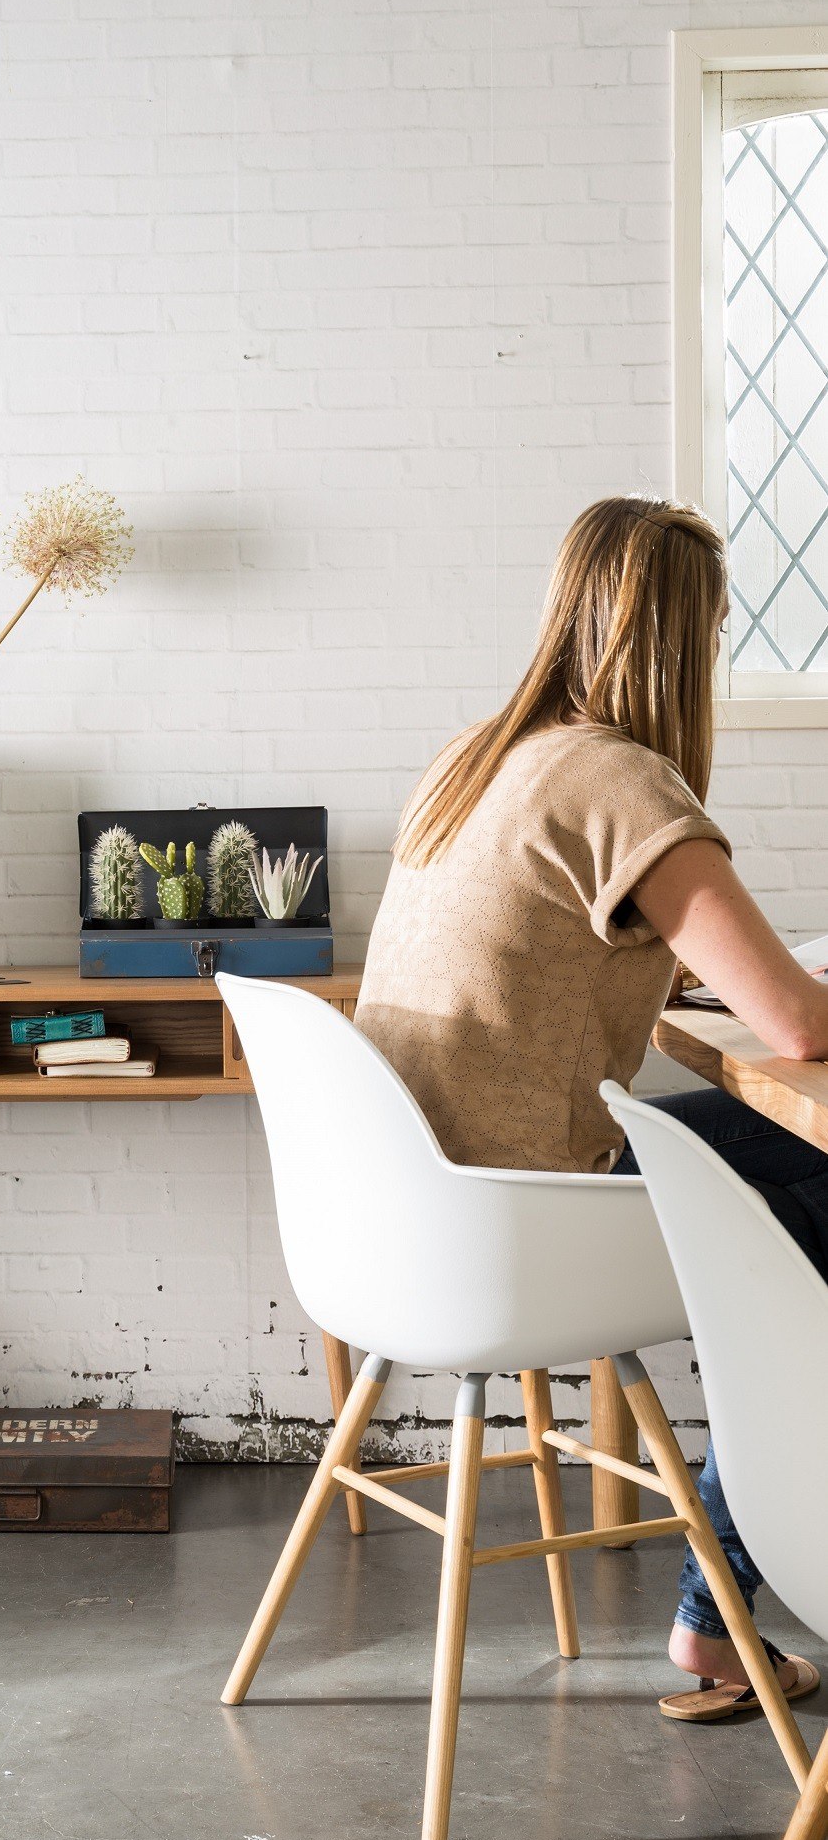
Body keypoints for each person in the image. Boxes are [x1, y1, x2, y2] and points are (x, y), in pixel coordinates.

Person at [354, 494, 828, 1721]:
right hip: (526, 1220)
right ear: (679, 638)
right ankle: (714, 1619)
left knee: (789, 1177)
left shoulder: (479, 759)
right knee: (811, 1229)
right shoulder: (620, 781)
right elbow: (796, 1027)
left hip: (408, 1212)